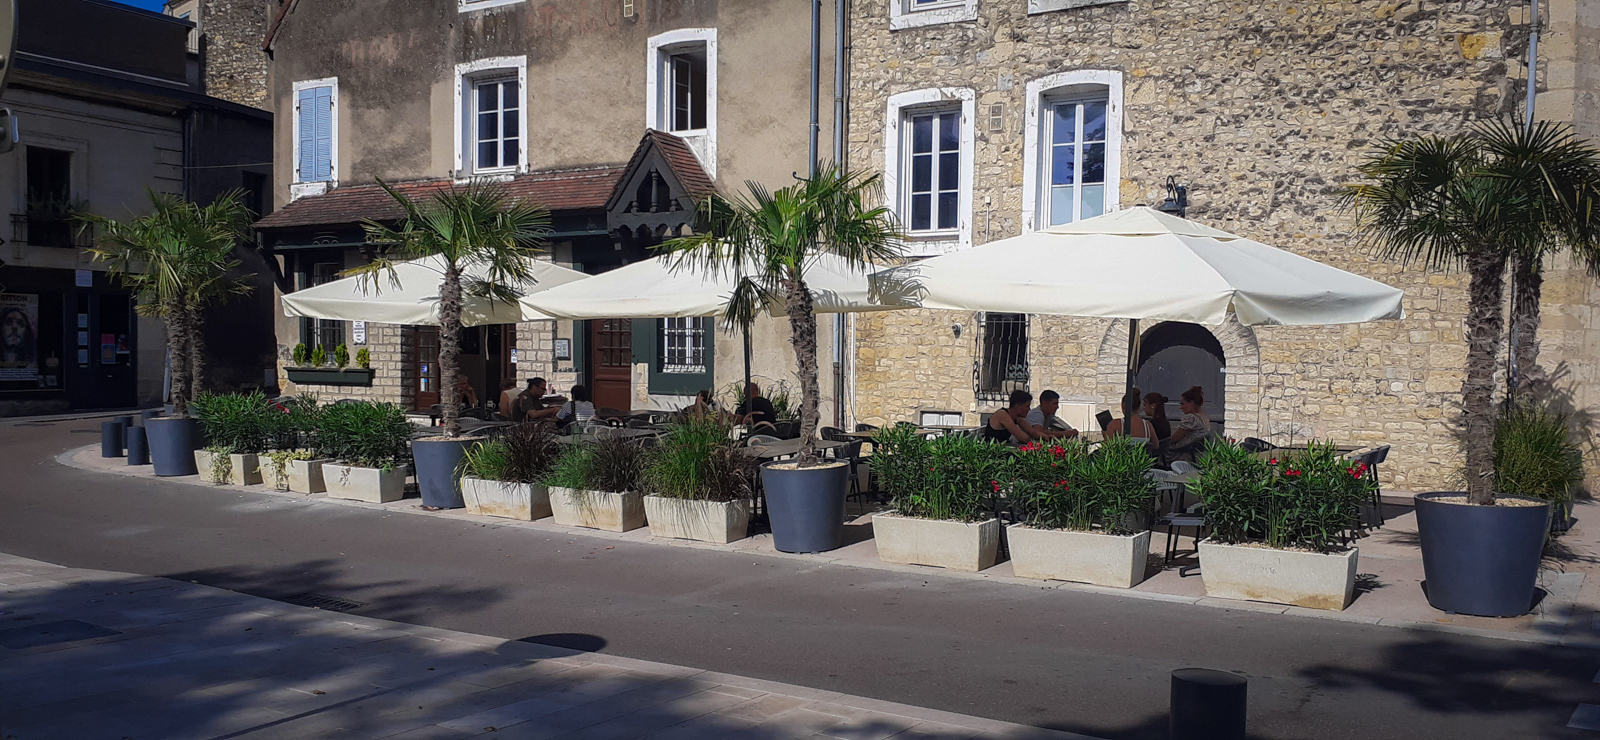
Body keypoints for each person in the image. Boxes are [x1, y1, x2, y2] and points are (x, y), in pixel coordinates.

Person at [1167, 385, 1213, 462]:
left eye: (1182, 404)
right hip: (1198, 457)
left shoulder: (1191, 418)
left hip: (1180, 456)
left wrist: (1160, 443)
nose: (1180, 407)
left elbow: (1175, 438)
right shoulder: (1205, 419)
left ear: (1191, 403)